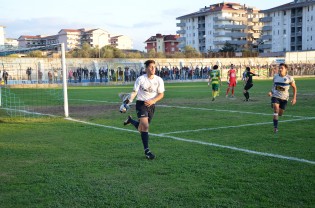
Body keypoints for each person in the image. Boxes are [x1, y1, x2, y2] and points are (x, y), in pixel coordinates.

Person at [123, 60, 165, 160]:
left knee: (142, 128)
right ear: (146, 68)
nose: (153, 69)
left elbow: (161, 94)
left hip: (152, 106)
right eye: (151, 67)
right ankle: (147, 151)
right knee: (145, 127)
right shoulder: (140, 79)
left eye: (154, 67)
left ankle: (131, 121)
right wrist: (127, 103)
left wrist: (153, 101)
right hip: (141, 104)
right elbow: (134, 92)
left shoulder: (159, 80)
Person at [268, 63, 297, 133]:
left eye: (282, 68)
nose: (280, 69)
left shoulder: (289, 78)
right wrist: (271, 92)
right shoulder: (275, 76)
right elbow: (274, 86)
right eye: (279, 68)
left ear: (286, 69)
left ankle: (275, 106)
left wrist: (294, 98)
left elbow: (294, 87)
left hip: (284, 98)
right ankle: (275, 127)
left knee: (280, 114)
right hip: (275, 96)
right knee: (276, 110)